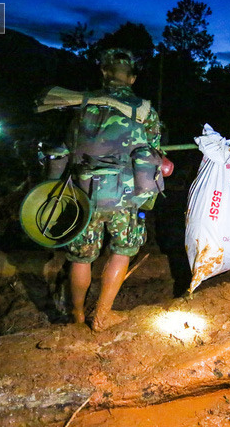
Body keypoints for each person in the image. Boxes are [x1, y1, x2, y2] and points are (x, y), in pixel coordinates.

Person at [45, 48, 166, 331]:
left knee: (81, 257)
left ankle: (76, 315)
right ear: (132, 78)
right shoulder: (143, 109)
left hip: (85, 193)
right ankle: (101, 315)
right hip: (124, 196)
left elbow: (69, 146)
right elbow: (155, 148)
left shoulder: (82, 104)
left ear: (104, 72)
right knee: (122, 251)